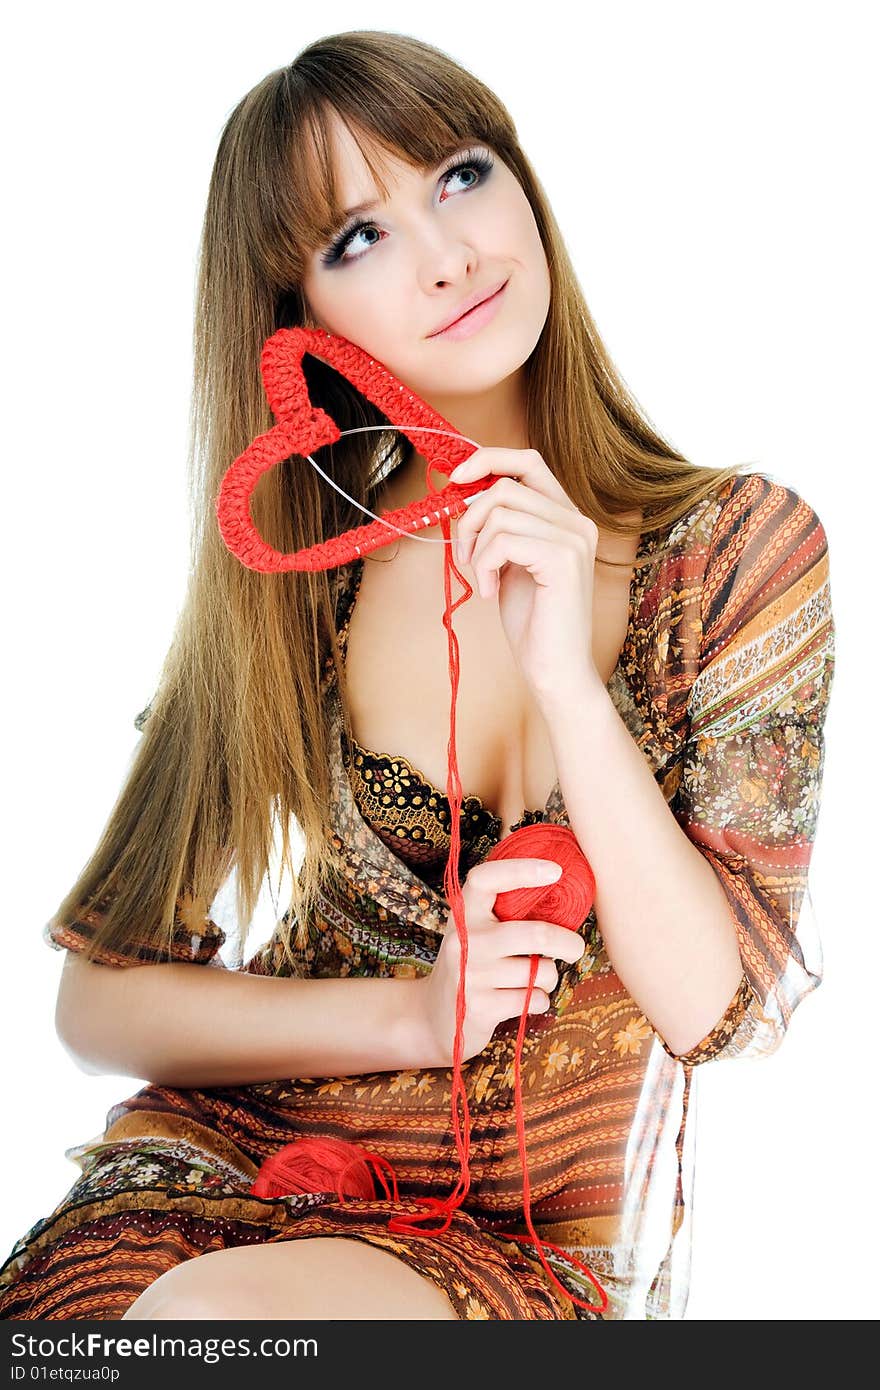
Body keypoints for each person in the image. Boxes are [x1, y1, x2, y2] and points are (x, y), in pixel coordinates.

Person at [0, 30, 836, 1322]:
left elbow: (719, 1013)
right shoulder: (303, 577)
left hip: (528, 1238)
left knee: (220, 1330)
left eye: (457, 173)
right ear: (303, 320)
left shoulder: (734, 547)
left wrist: (566, 675)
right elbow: (98, 997)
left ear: (520, 181)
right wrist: (412, 1013)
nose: (447, 253)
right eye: (357, 238)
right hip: (215, 1177)